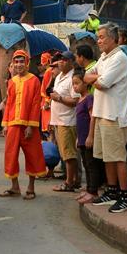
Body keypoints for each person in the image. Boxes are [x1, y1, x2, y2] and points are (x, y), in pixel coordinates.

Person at [83, 23, 127, 213]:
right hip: (102, 113)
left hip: (115, 116)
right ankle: (112, 192)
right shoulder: (104, 57)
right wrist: (95, 78)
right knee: (107, 157)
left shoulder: (120, 57)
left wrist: (95, 78)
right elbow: (86, 75)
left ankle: (124, 196)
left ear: (113, 38)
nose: (99, 40)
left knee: (119, 158)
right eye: (98, 37)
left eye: (102, 37)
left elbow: (102, 83)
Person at [0, 49, 45, 201]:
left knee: (32, 155)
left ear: (27, 63)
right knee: (11, 155)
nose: (18, 64)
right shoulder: (11, 82)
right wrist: (5, 124)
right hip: (12, 124)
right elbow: (9, 104)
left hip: (28, 125)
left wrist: (31, 126)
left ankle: (31, 188)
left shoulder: (34, 80)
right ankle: (15, 187)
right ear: (13, 63)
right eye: (16, 61)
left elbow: (35, 104)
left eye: (21, 61)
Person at [49, 51, 80, 192]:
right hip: (58, 120)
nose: (60, 62)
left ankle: (70, 182)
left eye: (64, 60)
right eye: (59, 60)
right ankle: (72, 180)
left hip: (67, 121)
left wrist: (59, 98)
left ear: (71, 62)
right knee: (65, 153)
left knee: (69, 154)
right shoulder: (59, 76)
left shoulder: (72, 78)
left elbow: (75, 100)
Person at [74, 70, 104, 205]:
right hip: (81, 137)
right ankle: (88, 189)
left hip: (88, 138)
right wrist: (77, 138)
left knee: (92, 165)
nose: (74, 86)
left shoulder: (89, 98)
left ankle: (93, 191)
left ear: (86, 84)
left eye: (77, 83)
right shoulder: (79, 99)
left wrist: (90, 136)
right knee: (86, 164)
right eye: (73, 84)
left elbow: (93, 118)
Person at [39, 52, 55, 135]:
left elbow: (47, 89)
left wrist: (47, 101)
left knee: (49, 130)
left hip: (47, 101)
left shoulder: (48, 71)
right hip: (47, 100)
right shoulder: (50, 71)